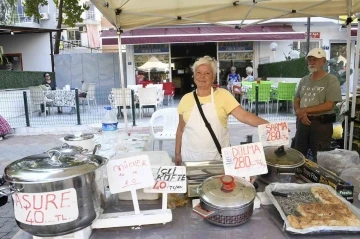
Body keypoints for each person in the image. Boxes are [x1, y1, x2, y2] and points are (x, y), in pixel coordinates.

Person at [175, 56, 269, 165]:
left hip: (217, 159)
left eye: (207, 73)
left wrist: (269, 125)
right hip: (190, 159)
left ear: (213, 76)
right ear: (194, 75)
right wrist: (177, 154)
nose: (202, 76)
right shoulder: (186, 99)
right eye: (198, 72)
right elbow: (180, 129)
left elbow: (244, 116)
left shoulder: (223, 95)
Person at [293, 48, 342, 162]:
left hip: (321, 125)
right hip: (302, 122)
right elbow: (296, 99)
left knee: (320, 157)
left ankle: (318, 179)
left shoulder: (331, 80)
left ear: (323, 61)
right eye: (310, 60)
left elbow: (329, 105)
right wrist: (300, 113)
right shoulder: (304, 80)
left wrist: (304, 110)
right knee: (298, 154)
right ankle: (298, 178)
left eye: (315, 60)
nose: (312, 62)